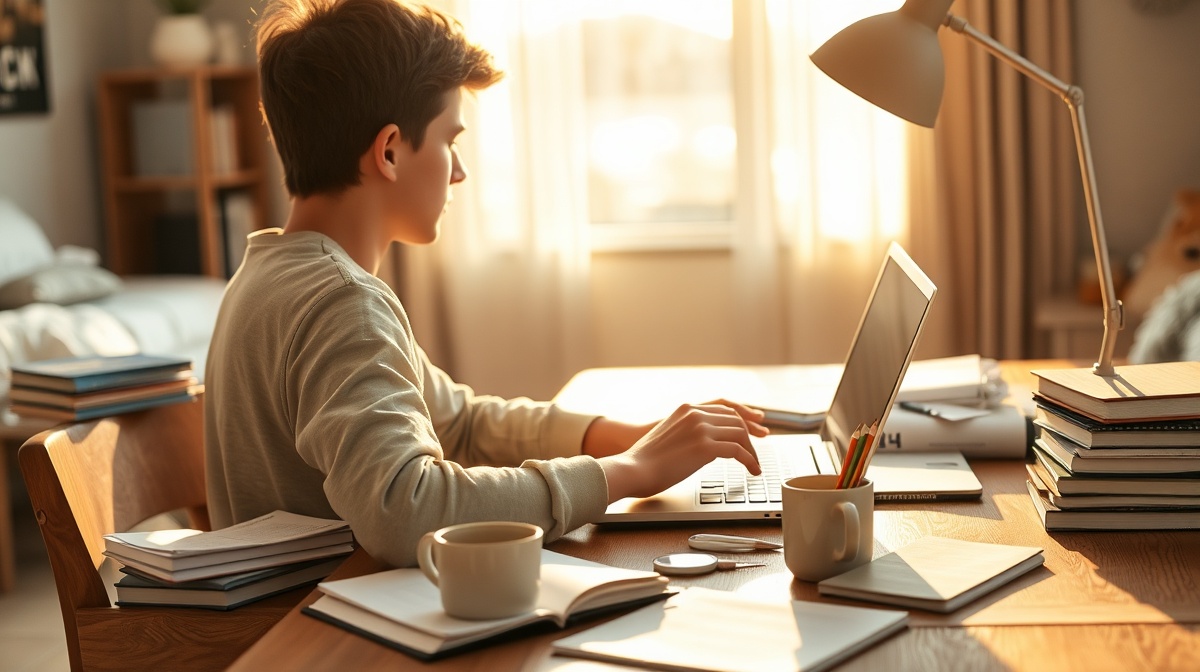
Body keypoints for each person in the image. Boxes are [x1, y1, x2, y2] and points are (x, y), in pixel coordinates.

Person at [205, 0, 765, 567]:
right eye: (451, 140)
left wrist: (624, 436)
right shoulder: (341, 300)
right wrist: (628, 472)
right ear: (391, 151)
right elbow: (406, 508)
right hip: (319, 638)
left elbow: (463, 424)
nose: (459, 171)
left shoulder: (271, 273)